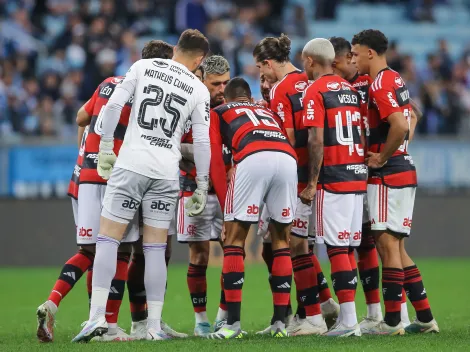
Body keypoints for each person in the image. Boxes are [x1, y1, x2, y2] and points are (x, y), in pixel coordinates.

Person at [72, 29, 212, 342]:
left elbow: (112, 106)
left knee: (108, 240)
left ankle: (97, 318)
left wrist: (106, 145)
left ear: (176, 48)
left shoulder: (141, 67)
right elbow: (202, 142)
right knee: (154, 248)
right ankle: (153, 327)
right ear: (200, 59)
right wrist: (201, 183)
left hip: (131, 164)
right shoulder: (198, 88)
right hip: (165, 172)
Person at [351, 29, 439, 335]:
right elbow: (411, 116)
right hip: (404, 168)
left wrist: (382, 157)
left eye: (356, 52)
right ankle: (425, 318)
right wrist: (397, 148)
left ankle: (390, 323)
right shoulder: (394, 78)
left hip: (389, 173)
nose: (354, 58)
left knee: (386, 245)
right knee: (397, 248)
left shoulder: (378, 83)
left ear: (370, 53)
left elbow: (400, 124)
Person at [253, 34, 338, 335]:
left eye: (259, 69)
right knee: (289, 244)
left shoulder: (281, 89)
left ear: (266, 62)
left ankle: (311, 315)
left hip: (295, 177)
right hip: (322, 171)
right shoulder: (310, 80)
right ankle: (320, 303)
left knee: (294, 245)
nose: (259, 76)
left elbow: (287, 138)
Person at [206, 77, 298, 339]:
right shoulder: (266, 110)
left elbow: (215, 159)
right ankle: (281, 324)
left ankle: (232, 325)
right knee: (281, 240)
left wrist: (227, 211)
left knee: (235, 240)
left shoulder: (219, 111)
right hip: (286, 158)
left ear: (227, 98)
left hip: (253, 156)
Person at [300, 38, 366, 337]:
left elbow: (316, 139)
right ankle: (350, 317)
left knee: (337, 247)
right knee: (349, 247)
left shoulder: (315, 90)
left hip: (335, 175)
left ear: (311, 61)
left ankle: (349, 321)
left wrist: (312, 182)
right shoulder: (351, 90)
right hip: (357, 174)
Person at [173, 55, 231, 336]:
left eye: (225, 83)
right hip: (192, 189)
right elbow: (172, 147)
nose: (222, 89)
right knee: (199, 256)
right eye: (215, 84)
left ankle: (223, 315)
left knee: (232, 252)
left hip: (227, 191)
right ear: (200, 80)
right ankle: (200, 321)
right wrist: (199, 155)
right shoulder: (186, 107)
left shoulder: (231, 110)